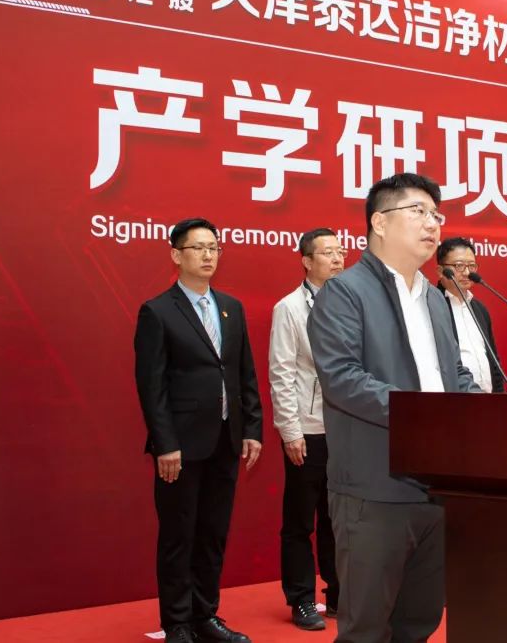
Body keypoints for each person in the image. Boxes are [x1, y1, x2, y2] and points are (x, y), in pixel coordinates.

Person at [308, 173, 482, 643]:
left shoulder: (435, 298)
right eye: (418, 212)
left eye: (436, 215)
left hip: (437, 488)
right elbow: (342, 378)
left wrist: (484, 412)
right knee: (366, 629)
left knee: (418, 622)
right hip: (375, 489)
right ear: (379, 222)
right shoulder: (344, 292)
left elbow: (453, 374)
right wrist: (426, 415)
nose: (432, 224)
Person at [134, 218, 263, 643]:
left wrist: (252, 428)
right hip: (181, 446)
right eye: (199, 248)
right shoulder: (158, 311)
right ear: (176, 254)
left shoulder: (231, 307)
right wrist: (165, 444)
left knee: (212, 533)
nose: (208, 255)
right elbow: (151, 386)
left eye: (214, 248)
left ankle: (205, 616)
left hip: (226, 439)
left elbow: (244, 373)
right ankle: (177, 623)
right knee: (179, 536)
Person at [269, 228, 344, 630]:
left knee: (339, 518)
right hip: (309, 429)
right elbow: (281, 372)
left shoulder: (352, 303)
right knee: (301, 521)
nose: (337, 259)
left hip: (345, 429)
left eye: (340, 251)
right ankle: (300, 598)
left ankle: (338, 593)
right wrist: (290, 431)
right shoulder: (289, 308)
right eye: (328, 253)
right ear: (307, 261)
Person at [435, 236, 505, 393]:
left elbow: (494, 361)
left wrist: (499, 398)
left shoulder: (479, 309)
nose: (467, 272)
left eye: (472, 266)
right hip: (452, 399)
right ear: (440, 271)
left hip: (487, 400)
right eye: (459, 266)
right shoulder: (433, 306)